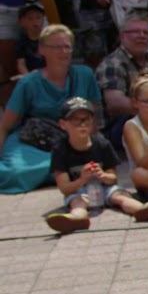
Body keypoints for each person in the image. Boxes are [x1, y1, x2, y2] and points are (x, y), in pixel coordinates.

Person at [44, 96, 148, 233]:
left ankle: (142, 209)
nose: (82, 124)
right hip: (79, 191)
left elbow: (113, 178)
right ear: (63, 124)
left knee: (120, 196)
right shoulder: (60, 150)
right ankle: (76, 219)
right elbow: (64, 188)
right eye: (76, 120)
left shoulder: (101, 144)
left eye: (86, 119)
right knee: (78, 202)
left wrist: (102, 175)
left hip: (105, 188)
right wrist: (82, 179)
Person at [0, 25, 102, 194]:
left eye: (67, 46)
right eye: (56, 47)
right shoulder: (29, 83)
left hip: (71, 140)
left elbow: (96, 115)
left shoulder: (85, 75)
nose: (64, 51)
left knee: (81, 165)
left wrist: (95, 146)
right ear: (42, 50)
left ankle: (56, 173)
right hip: (32, 141)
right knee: (16, 173)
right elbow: (5, 126)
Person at [97, 14, 148, 131]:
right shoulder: (112, 64)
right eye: (135, 32)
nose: (141, 36)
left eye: (146, 33)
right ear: (122, 36)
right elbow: (116, 104)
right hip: (122, 128)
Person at [14, 5, 45, 76]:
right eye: (30, 18)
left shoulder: (49, 39)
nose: (35, 21)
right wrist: (29, 78)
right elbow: (21, 64)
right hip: (31, 76)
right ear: (21, 22)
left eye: (38, 18)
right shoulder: (21, 42)